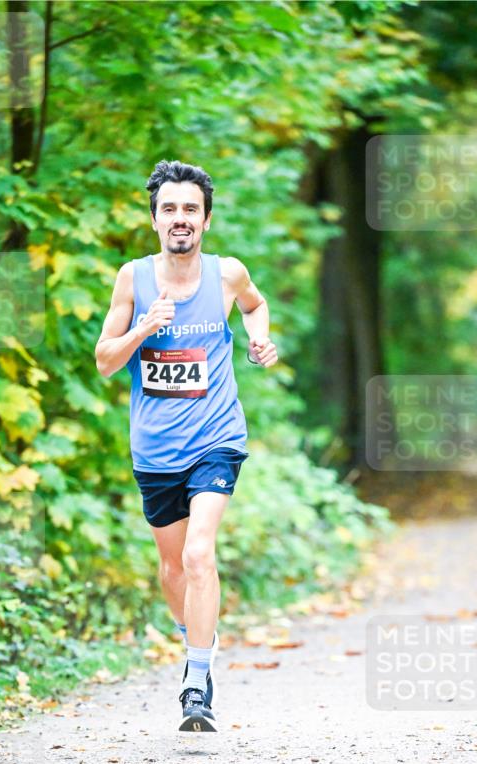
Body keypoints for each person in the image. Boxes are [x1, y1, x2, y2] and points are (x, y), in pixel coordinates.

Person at [95, 160, 278, 732]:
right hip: (154, 450)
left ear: (206, 219)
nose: (180, 218)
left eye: (190, 209)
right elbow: (104, 362)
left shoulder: (227, 275)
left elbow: (256, 306)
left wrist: (259, 340)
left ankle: (197, 683)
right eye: (169, 208)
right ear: (154, 219)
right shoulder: (133, 279)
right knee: (173, 569)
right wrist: (143, 329)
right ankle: (197, 637)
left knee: (199, 554)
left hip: (215, 438)